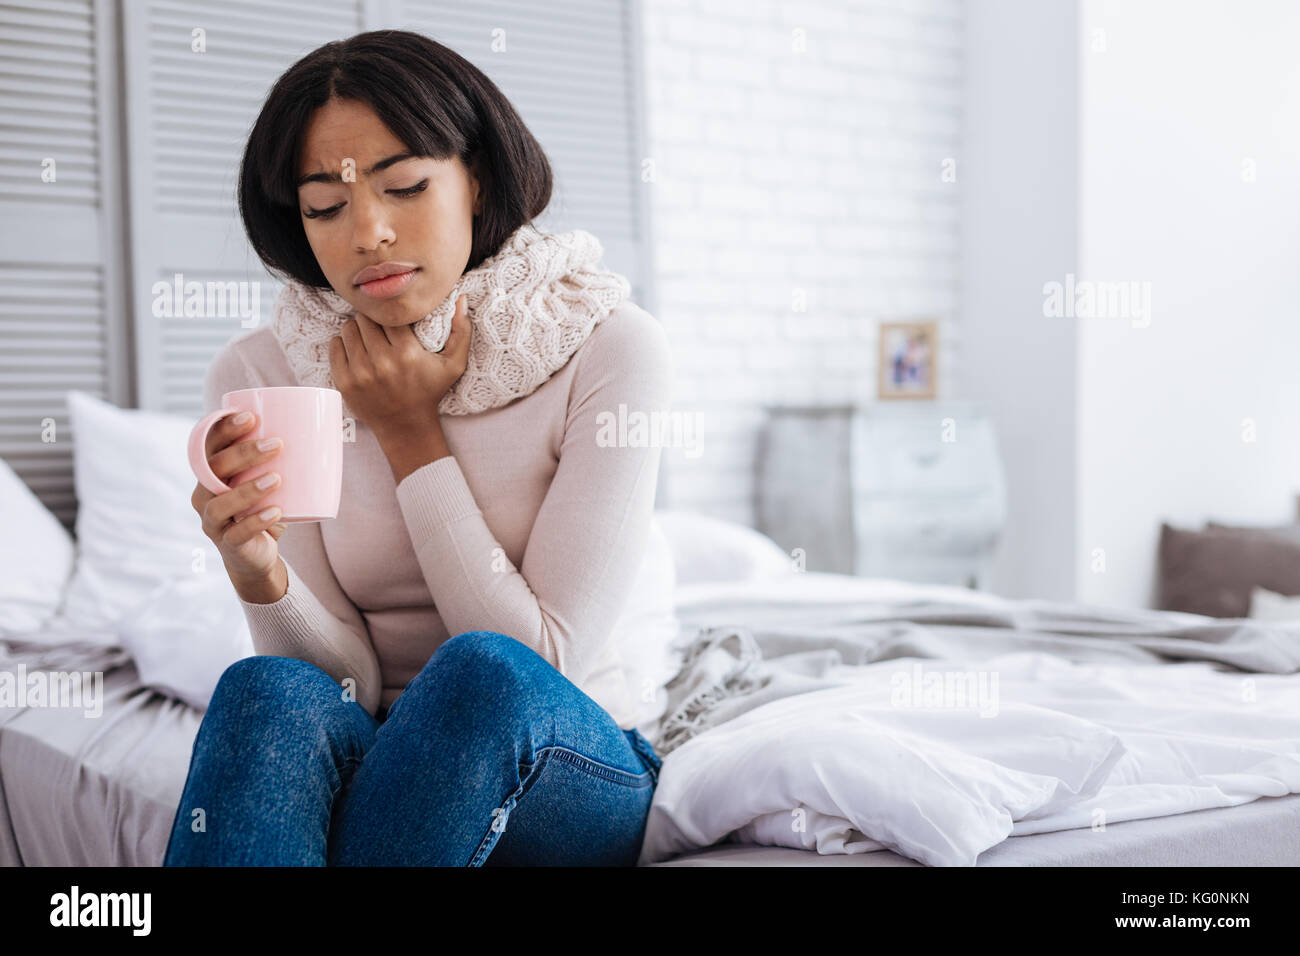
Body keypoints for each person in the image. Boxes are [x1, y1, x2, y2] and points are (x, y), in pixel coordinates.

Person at [164, 29, 672, 866]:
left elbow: (543, 658)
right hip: (375, 747)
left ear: (476, 178)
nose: (367, 233)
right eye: (324, 206)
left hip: (566, 754)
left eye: (404, 188)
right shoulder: (261, 372)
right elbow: (344, 687)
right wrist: (261, 576)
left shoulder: (610, 346)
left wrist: (409, 436)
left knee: (481, 673)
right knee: (265, 688)